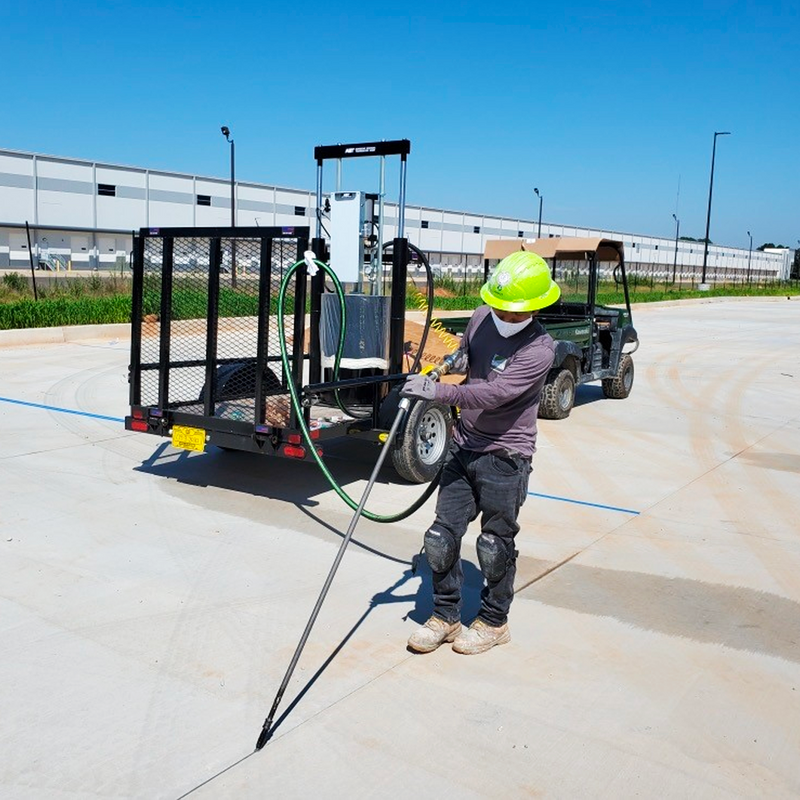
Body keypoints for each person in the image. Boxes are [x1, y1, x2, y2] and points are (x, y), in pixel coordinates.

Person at [400, 250, 560, 655]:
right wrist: (451, 361)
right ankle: (446, 616)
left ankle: (493, 621)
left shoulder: (540, 349)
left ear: (535, 307)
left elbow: (494, 393)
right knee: (440, 537)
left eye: (512, 313)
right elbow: (468, 354)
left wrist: (438, 391)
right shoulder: (479, 316)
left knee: (494, 545)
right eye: (498, 308)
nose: (503, 318)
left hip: (505, 455)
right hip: (464, 444)